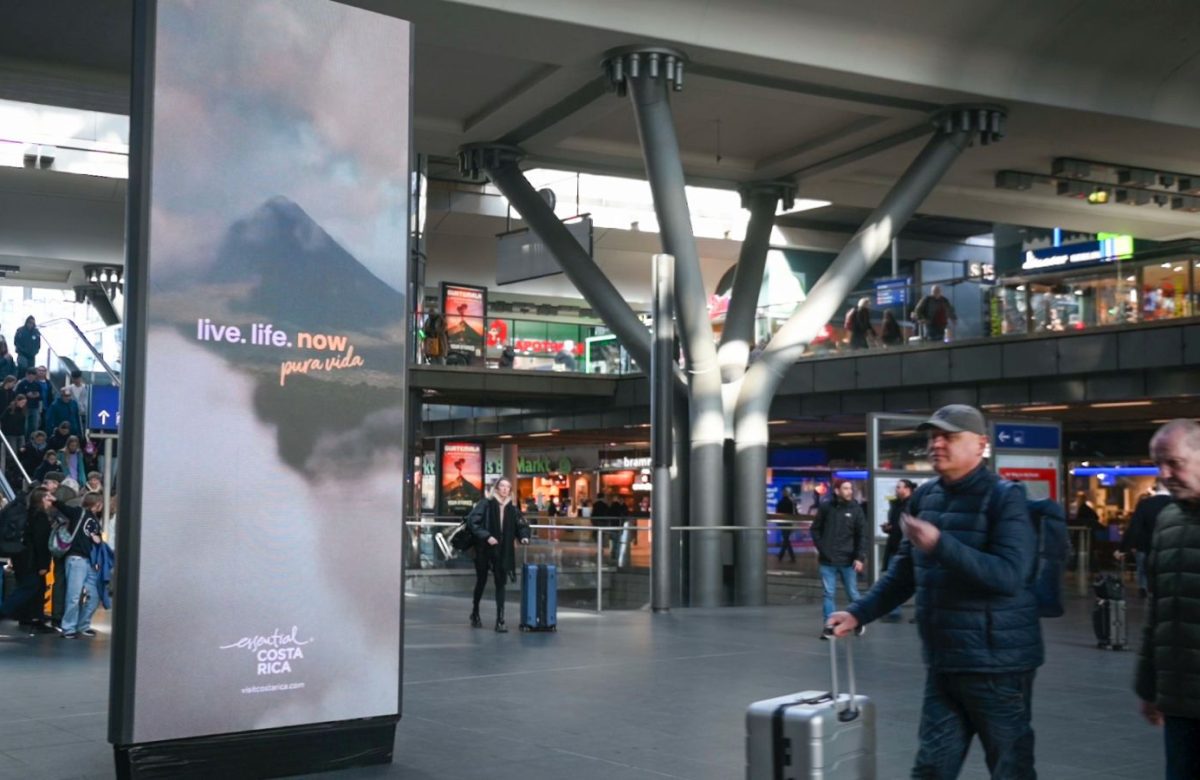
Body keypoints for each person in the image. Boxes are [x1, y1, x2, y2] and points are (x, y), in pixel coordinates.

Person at [827, 404, 1041, 779]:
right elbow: (904, 574)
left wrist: (941, 544)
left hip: (998, 666)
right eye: (933, 437)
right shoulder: (926, 498)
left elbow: (1010, 576)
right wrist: (859, 612)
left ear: (980, 445)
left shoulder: (1005, 498)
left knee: (1010, 767)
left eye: (950, 437)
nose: (937, 444)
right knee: (931, 767)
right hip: (945, 661)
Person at [1134, 420, 1200, 780]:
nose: (1164, 473)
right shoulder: (1168, 520)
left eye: (1174, 462)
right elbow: (1157, 613)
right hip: (1180, 700)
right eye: (1158, 463)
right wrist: (1149, 687)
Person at [466, 477, 529, 632]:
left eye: (508, 487)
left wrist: (524, 536)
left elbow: (521, 525)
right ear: (496, 488)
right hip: (483, 549)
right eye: (502, 486)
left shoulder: (512, 509)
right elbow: (472, 522)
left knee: (501, 583)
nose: (505, 489)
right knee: (481, 581)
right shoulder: (485, 504)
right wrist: (487, 536)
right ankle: (475, 612)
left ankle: (500, 619)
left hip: (503, 550)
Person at [812, 478, 867, 627]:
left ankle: (859, 620)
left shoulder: (856, 509)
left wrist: (859, 557)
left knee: (853, 593)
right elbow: (815, 529)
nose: (849, 491)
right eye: (846, 488)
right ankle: (829, 624)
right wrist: (822, 549)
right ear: (837, 491)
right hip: (827, 560)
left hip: (848, 560)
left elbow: (861, 535)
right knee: (828, 594)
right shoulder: (826, 508)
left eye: (850, 488)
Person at [0, 487, 55, 633]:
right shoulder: (40, 517)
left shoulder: (27, 513)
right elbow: (41, 543)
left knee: (27, 586)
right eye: (49, 498)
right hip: (32, 561)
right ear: (42, 499)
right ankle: (7, 611)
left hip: (20, 557)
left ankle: (27, 617)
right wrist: (44, 564)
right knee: (30, 587)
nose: (52, 501)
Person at [57, 492, 104, 639]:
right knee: (75, 595)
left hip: (86, 560)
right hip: (77, 558)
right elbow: (64, 508)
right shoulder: (79, 513)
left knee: (92, 595)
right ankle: (69, 627)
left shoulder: (94, 519)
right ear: (96, 503)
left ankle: (81, 625)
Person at [1119, 482, 1171, 597]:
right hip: (1172, 550)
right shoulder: (1179, 504)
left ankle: (1145, 589)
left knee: (1143, 569)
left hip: (1147, 547)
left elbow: (1134, 528)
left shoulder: (1145, 504)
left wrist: (1123, 548)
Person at [879, 478, 916, 621]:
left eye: (899, 487)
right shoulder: (896, 505)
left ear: (907, 489)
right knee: (892, 580)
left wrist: (894, 529)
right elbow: (897, 526)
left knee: (916, 581)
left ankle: (919, 613)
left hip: (909, 548)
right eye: (897, 487)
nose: (897, 489)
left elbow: (909, 527)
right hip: (895, 547)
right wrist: (889, 528)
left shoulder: (913, 504)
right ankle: (894, 612)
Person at [14, 368, 44, 439]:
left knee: (34, 426)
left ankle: (32, 440)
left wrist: (37, 395)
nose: (31, 378)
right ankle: (24, 440)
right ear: (27, 375)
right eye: (30, 376)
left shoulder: (37, 384)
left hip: (35, 407)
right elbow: (17, 395)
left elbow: (42, 396)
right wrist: (26, 395)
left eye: (33, 376)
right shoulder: (22, 384)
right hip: (25, 407)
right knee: (25, 426)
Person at [776, 486, 796, 563]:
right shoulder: (791, 502)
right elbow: (794, 513)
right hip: (788, 523)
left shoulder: (781, 502)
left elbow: (777, 513)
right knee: (786, 540)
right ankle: (788, 556)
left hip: (783, 523)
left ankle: (781, 556)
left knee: (786, 540)